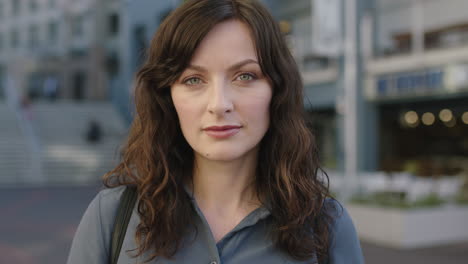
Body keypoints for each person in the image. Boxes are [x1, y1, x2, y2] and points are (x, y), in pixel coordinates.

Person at [67, 0, 364, 263]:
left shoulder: (327, 226)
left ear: (277, 90)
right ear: (168, 97)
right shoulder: (113, 217)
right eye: (194, 79)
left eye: (245, 76)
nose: (219, 104)